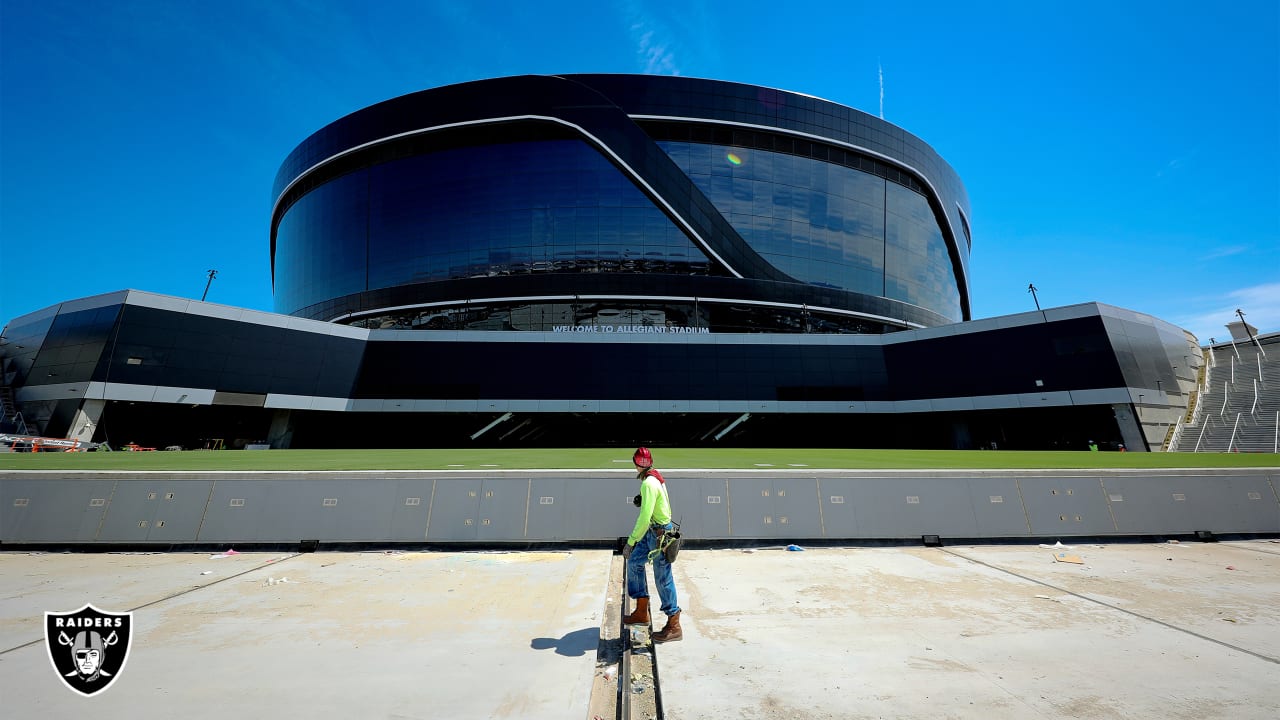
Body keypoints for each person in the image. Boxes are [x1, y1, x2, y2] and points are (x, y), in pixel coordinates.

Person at [622, 446, 682, 643]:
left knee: (663, 579)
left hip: (659, 536)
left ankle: (674, 625)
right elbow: (662, 502)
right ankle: (641, 612)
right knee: (634, 563)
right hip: (656, 532)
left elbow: (644, 517)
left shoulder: (648, 483)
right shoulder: (656, 477)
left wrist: (631, 541)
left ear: (635, 463)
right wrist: (646, 500)